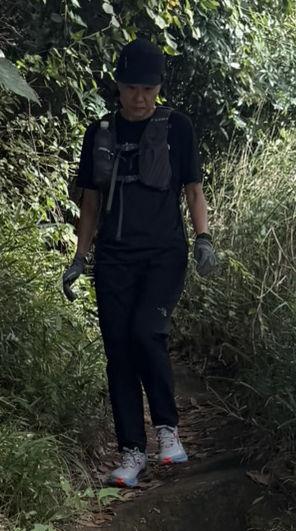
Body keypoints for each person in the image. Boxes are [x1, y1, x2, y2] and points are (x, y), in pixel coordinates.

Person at [62, 38, 216, 487]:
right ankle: (132, 452)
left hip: (164, 255)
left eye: (148, 89)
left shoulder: (177, 128)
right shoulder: (99, 133)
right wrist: (79, 257)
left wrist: (203, 239)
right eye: (131, 88)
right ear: (119, 86)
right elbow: (91, 202)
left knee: (147, 333)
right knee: (118, 352)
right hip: (114, 257)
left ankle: (168, 430)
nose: (140, 97)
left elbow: (193, 190)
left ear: (159, 87)